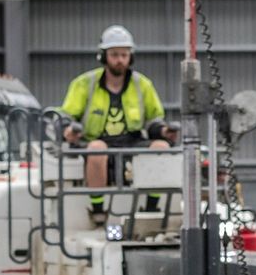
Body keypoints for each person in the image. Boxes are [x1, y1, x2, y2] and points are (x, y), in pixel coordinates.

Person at [58, 25, 175, 219]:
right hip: (98, 140)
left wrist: (164, 132)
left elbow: (154, 120)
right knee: (96, 148)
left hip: (132, 140)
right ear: (103, 56)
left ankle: (152, 208)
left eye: (124, 54)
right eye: (114, 55)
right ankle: (97, 209)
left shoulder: (142, 85)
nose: (120, 60)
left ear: (131, 56)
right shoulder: (84, 84)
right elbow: (66, 115)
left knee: (161, 146)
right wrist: (68, 130)